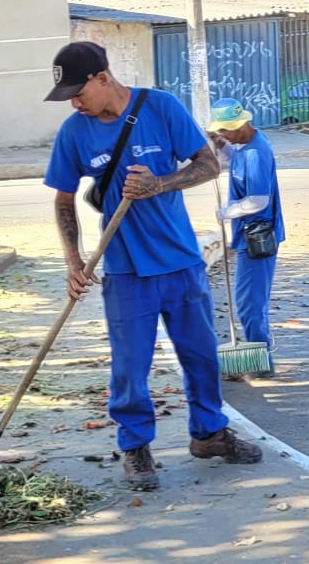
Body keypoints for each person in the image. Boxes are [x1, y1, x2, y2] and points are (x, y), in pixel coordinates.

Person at [43, 41, 262, 491]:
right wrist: (75, 261)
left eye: (78, 92)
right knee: (130, 365)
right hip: (124, 270)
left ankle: (209, 434)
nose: (75, 103)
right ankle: (136, 447)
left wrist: (159, 183)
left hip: (180, 261)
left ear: (102, 78)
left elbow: (207, 165)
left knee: (201, 356)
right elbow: (64, 201)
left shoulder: (160, 107)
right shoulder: (74, 133)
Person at [208, 98, 285, 378]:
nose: (225, 135)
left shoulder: (256, 153)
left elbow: (258, 200)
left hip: (257, 239)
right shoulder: (244, 146)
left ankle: (259, 363)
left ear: (242, 124)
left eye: (227, 131)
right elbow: (235, 161)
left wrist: (226, 211)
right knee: (251, 302)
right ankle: (257, 358)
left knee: (249, 304)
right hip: (249, 237)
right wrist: (222, 146)